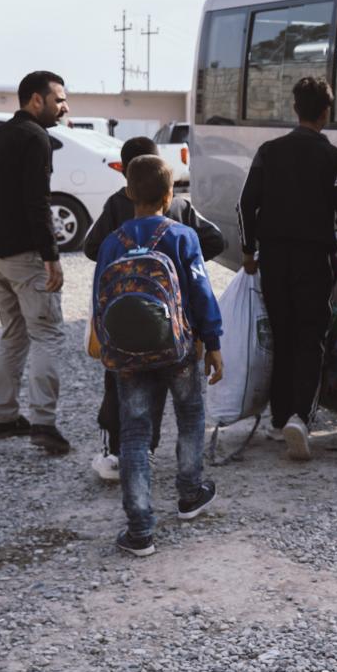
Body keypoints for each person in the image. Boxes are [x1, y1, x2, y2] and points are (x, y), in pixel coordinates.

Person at [93, 155, 225, 557]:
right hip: (178, 348)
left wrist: (104, 343)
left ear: (129, 193)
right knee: (189, 415)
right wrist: (213, 342)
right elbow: (201, 293)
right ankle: (189, 495)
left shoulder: (111, 242)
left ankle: (139, 530)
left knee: (134, 433)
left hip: (127, 354)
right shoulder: (183, 236)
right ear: (170, 196)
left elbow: (100, 298)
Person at [237, 76, 337, 463]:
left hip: (273, 258)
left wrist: (248, 250)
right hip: (314, 260)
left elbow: (245, 205)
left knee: (282, 334)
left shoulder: (268, 152)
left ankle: (277, 418)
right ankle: (300, 418)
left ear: (294, 108)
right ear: (326, 112)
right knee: (311, 338)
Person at [0, 70, 73, 455]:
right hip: (25, 258)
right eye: (59, 99)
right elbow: (37, 202)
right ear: (35, 100)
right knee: (47, 334)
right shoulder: (35, 138)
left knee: (13, 335)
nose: (65, 107)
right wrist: (51, 257)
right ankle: (44, 423)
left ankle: (4, 416)